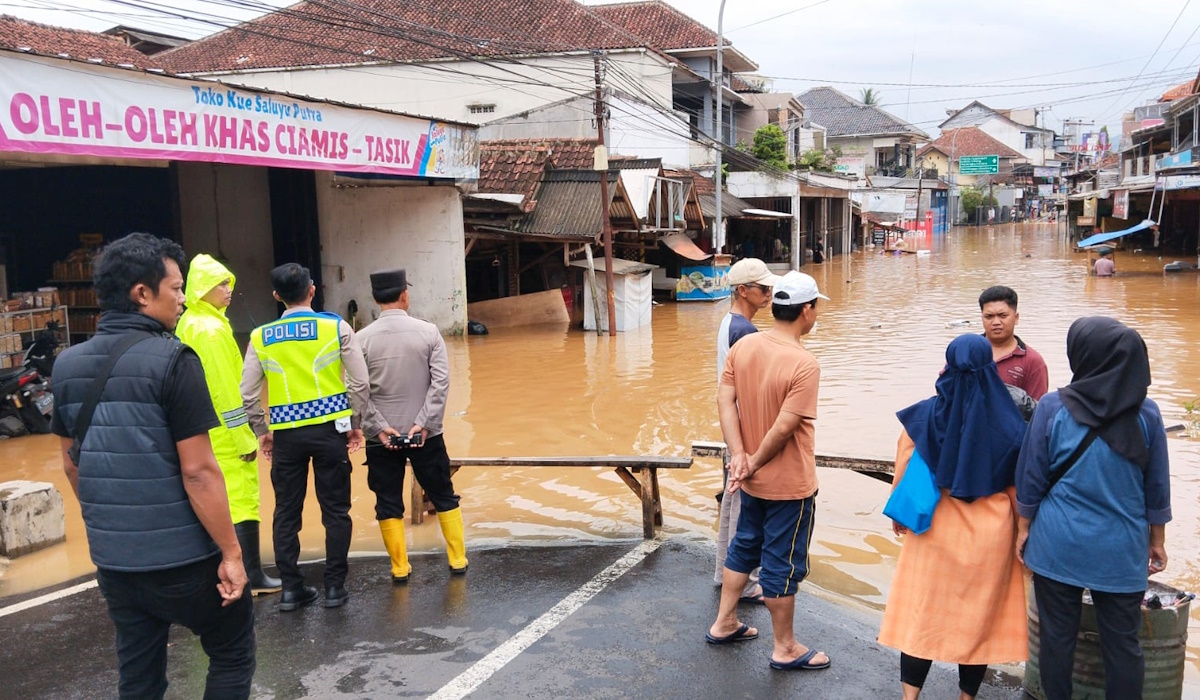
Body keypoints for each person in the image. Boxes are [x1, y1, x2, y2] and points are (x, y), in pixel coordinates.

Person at [50, 233, 255, 699]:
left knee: (139, 677)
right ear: (142, 293)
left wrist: (115, 528)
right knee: (231, 651)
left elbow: (72, 464)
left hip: (116, 565)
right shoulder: (175, 360)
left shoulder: (66, 365)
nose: (182, 299)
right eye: (176, 288)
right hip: (186, 562)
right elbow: (198, 471)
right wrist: (232, 553)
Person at [1015, 317, 1171, 700]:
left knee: (1056, 639)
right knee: (1123, 644)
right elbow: (1157, 487)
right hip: (1121, 549)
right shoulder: (1147, 414)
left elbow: (1031, 477)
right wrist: (1157, 540)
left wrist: (1023, 528)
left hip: (1058, 543)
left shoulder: (1053, 407)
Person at [878, 334, 1029, 700]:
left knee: (923, 616)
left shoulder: (925, 415)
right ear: (989, 368)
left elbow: (905, 468)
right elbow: (1018, 490)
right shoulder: (1011, 425)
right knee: (978, 623)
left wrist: (900, 514)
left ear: (947, 367)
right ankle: (966, 698)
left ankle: (910, 697)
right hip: (989, 536)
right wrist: (1023, 532)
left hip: (933, 530)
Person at [706, 271, 831, 672]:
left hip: (751, 479)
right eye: (816, 307)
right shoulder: (804, 363)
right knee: (783, 562)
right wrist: (753, 461)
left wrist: (739, 458)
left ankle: (725, 621)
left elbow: (725, 401)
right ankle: (785, 647)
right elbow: (785, 427)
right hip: (788, 485)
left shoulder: (745, 346)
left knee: (744, 546)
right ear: (807, 311)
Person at [241, 263, 380, 612]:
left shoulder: (260, 337)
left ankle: (291, 589)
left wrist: (263, 432)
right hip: (330, 432)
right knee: (336, 511)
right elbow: (360, 382)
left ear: (276, 296)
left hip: (286, 436)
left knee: (286, 512)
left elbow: (247, 394)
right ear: (312, 290)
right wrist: (354, 422)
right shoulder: (336, 327)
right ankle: (334, 588)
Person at [177, 254, 281, 595]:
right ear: (203, 288)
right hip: (225, 435)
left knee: (214, 501)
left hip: (204, 430)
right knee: (241, 500)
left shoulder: (191, 322)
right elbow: (226, 391)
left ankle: (222, 573)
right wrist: (245, 438)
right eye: (221, 283)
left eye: (229, 283)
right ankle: (251, 574)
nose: (228, 289)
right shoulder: (210, 331)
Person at [358, 268, 469, 581]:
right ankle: (457, 560)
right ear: (404, 295)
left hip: (381, 438)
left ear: (374, 298)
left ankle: (399, 568)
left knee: (387, 501)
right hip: (426, 436)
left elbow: (357, 390)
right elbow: (441, 383)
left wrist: (378, 427)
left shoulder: (360, 339)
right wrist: (424, 423)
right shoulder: (429, 333)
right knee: (443, 493)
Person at [714, 257, 781, 604]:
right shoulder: (747, 333)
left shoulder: (730, 323)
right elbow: (754, 391)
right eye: (763, 288)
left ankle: (725, 572)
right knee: (746, 509)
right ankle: (745, 582)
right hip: (745, 429)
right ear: (743, 290)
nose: (769, 294)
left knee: (733, 501)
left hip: (733, 427)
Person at [978, 285, 1048, 399]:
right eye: (989, 316)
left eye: (1002, 316)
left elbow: (1038, 407)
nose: (996, 322)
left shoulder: (1032, 361)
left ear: (1016, 318)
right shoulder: (966, 354)